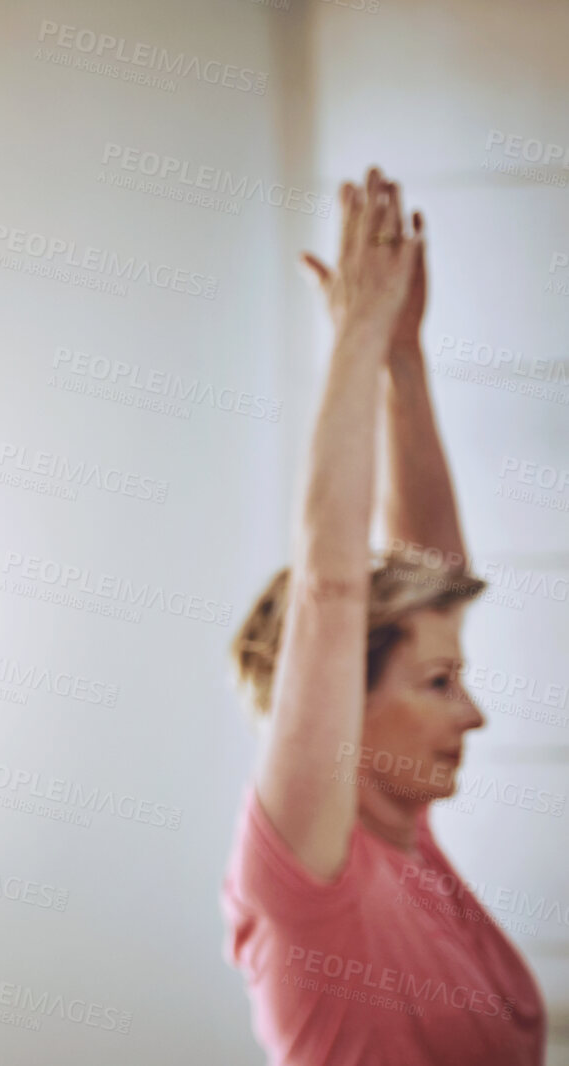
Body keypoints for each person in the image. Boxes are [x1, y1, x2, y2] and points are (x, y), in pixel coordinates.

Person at [223, 169, 545, 1064]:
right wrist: (356, 336)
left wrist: (404, 357)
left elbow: (433, 577)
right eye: (441, 684)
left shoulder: (400, 834)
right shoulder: (310, 874)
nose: (472, 713)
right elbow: (333, 594)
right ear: (339, 705)